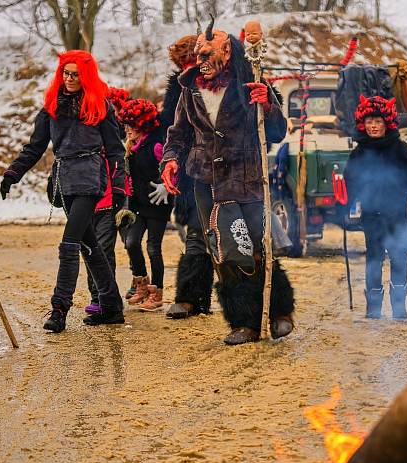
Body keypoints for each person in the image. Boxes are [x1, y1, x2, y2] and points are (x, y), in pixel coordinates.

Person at [160, 19, 295, 345]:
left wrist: (268, 104)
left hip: (247, 178)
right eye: (198, 55)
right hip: (207, 181)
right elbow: (177, 133)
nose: (201, 61)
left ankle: (279, 312)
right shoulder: (189, 88)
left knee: (260, 248)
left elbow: (276, 132)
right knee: (228, 252)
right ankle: (244, 322)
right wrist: (170, 159)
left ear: (227, 54)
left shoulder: (251, 83)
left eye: (207, 55)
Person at [1, 50, 126, 332]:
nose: (69, 79)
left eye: (75, 74)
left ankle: (59, 308)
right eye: (66, 73)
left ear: (86, 76)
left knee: (70, 242)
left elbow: (116, 150)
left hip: (92, 176)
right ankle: (112, 307)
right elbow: (35, 147)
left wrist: (118, 186)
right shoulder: (50, 107)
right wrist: (13, 173)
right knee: (90, 245)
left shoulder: (100, 105)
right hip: (65, 179)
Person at [343, 95, 407, 320]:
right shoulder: (359, 152)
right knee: (373, 260)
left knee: (399, 257)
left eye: (378, 121)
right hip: (371, 215)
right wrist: (346, 205)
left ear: (386, 123)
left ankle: (399, 308)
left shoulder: (399, 148)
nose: (373, 125)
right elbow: (350, 179)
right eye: (369, 121)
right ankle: (373, 309)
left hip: (396, 213)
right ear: (363, 123)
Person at [160, 35, 216, 320]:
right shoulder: (180, 90)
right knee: (196, 233)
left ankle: (247, 305)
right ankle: (191, 297)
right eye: (183, 63)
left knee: (241, 238)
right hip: (195, 170)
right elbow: (172, 129)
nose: (189, 67)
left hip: (234, 169)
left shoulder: (235, 78)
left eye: (192, 61)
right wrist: (168, 162)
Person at [117, 98, 172, 311]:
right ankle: (141, 283)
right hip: (139, 203)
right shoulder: (133, 145)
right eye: (126, 126)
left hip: (159, 203)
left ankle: (156, 293)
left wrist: (168, 185)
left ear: (144, 125)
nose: (128, 130)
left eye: (132, 126)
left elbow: (173, 167)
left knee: (153, 247)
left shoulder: (157, 144)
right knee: (131, 242)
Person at [82, 86, 131, 316]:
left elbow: (119, 165)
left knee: (103, 250)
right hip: (83, 200)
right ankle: (100, 297)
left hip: (108, 201)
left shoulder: (111, 141)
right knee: (88, 250)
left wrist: (121, 197)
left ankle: (104, 299)